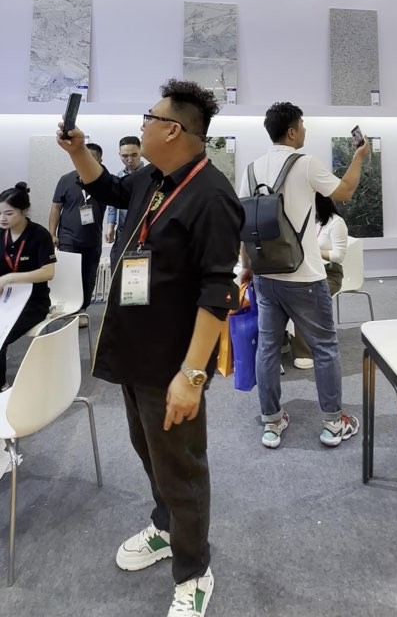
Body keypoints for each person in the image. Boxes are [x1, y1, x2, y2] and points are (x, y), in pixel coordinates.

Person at [56, 79, 242, 617]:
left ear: (173, 129)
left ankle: (194, 570)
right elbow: (111, 190)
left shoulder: (212, 196)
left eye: (149, 117)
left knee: (182, 468)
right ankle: (165, 527)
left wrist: (192, 375)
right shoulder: (152, 178)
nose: (142, 125)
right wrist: (77, 153)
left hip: (173, 364)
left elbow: (217, 292)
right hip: (135, 351)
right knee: (150, 453)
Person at [239, 101, 370, 450]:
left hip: (266, 276)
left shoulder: (250, 170)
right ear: (292, 131)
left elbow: (244, 226)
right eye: (303, 126)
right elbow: (345, 192)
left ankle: (271, 422)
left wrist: (248, 268)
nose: (305, 131)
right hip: (305, 276)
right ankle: (333, 423)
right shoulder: (305, 163)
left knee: (267, 349)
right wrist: (359, 157)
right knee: (324, 347)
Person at [0, 182, 56, 390]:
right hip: (5, 299)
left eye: (8, 213)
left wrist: (9, 278)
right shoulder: (1, 234)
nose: (2, 219)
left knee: (0, 335)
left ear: (24, 211)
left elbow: (48, 272)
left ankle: (2, 387)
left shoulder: (39, 235)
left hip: (33, 303)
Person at [292, 193, 348, 369]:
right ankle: (288, 341)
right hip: (310, 271)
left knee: (305, 301)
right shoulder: (315, 223)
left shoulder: (337, 223)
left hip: (330, 274)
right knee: (286, 294)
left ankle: (304, 352)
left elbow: (338, 256)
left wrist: (312, 250)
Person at [49, 142, 106, 312]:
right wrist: (52, 233)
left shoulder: (105, 181)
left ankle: (82, 310)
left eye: (91, 158)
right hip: (68, 238)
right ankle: (68, 309)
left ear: (100, 160)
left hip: (93, 239)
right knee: (69, 276)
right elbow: (56, 208)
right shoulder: (66, 180)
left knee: (88, 277)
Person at [105, 136, 145, 245]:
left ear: (141, 152)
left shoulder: (150, 176)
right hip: (122, 229)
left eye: (134, 155)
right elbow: (112, 202)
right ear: (119, 155)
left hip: (142, 230)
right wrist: (110, 225)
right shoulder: (120, 175)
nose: (130, 160)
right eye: (125, 156)